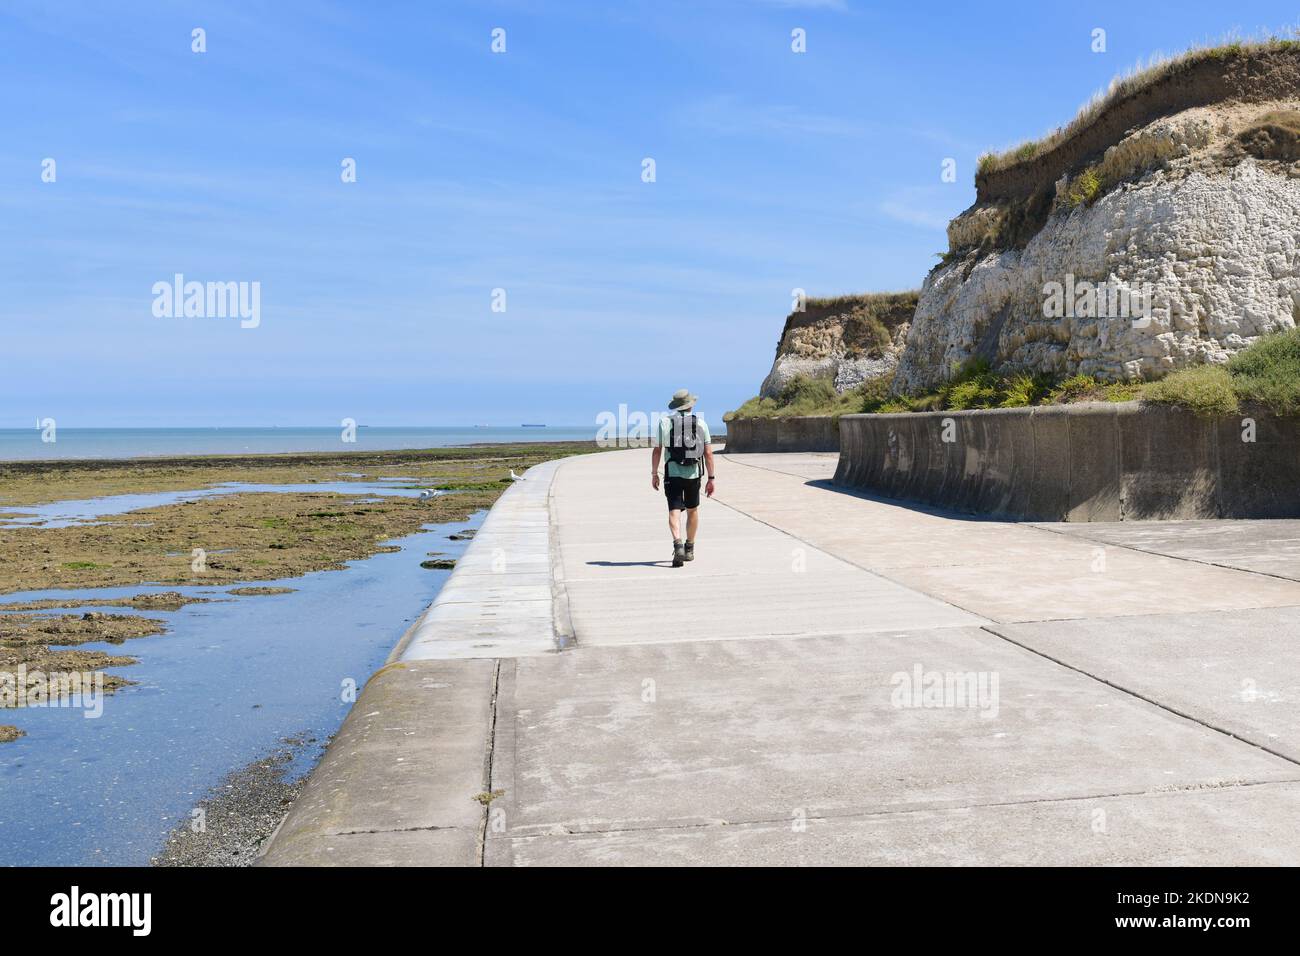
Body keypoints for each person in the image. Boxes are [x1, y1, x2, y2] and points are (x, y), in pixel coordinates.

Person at [650, 389, 716, 568]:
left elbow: (657, 450)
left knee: (674, 510)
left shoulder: (664, 422)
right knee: (692, 510)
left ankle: (677, 544)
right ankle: (689, 548)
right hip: (693, 473)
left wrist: (654, 473)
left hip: (672, 473)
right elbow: (708, 453)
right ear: (691, 405)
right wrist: (711, 478)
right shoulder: (700, 423)